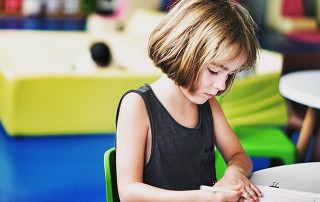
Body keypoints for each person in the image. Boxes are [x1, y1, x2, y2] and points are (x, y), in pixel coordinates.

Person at [115, 0, 262, 201]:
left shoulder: (209, 105)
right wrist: (205, 198)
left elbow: (239, 156)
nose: (221, 85)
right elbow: (128, 193)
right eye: (214, 70)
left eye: (229, 74)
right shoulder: (137, 105)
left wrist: (234, 173)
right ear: (182, 52)